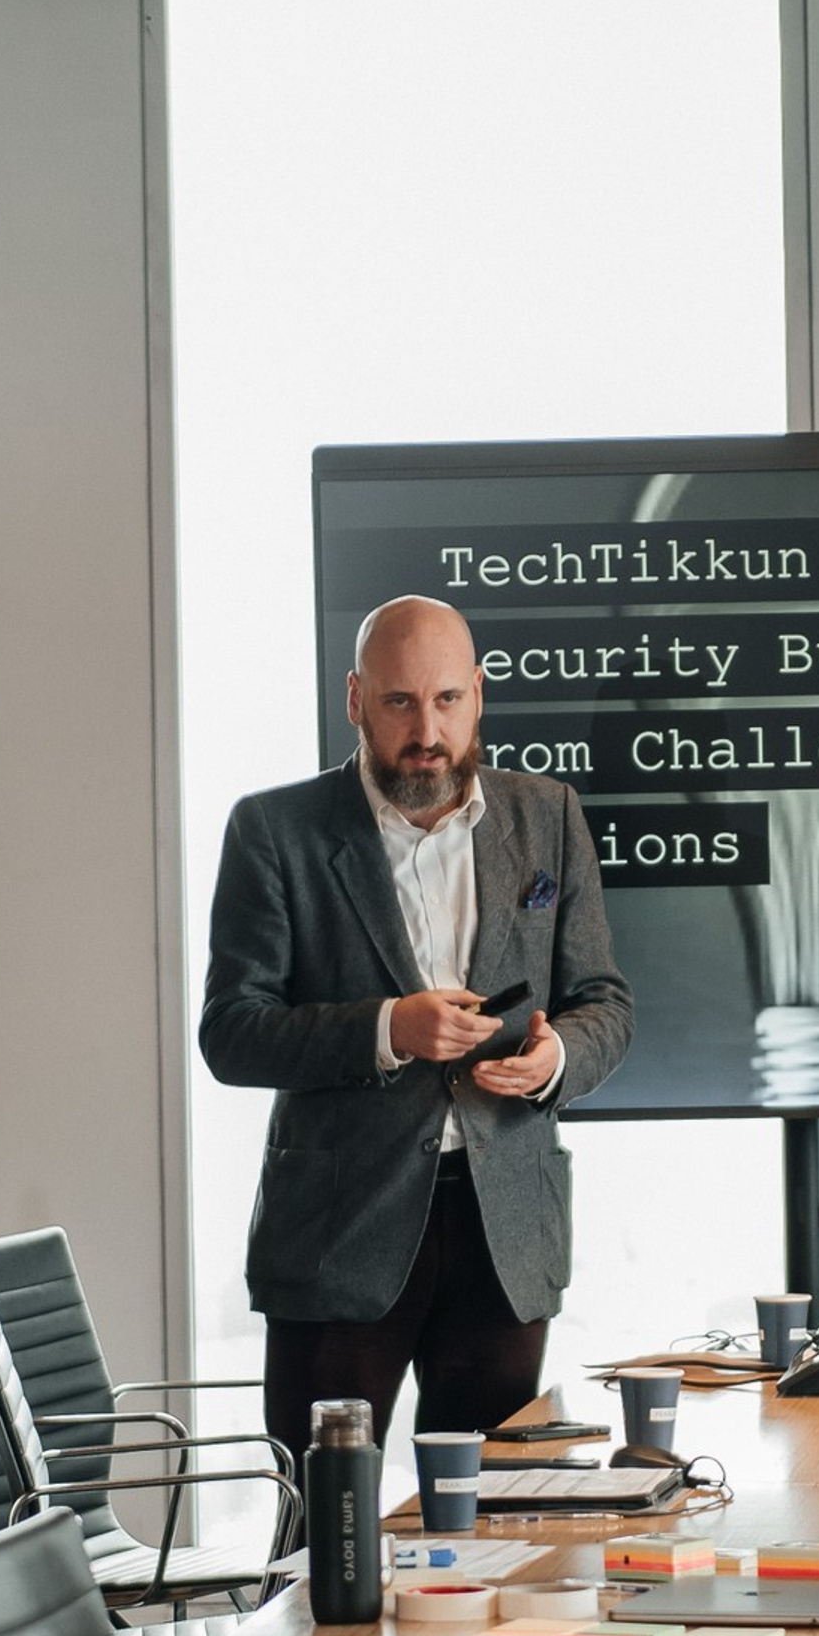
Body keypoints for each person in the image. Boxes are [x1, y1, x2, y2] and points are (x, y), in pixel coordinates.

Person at [202, 596, 633, 1465]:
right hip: (337, 1237)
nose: (426, 729)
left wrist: (555, 1059)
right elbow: (232, 1033)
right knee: (322, 1536)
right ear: (356, 699)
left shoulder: (547, 815)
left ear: (478, 695)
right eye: (400, 702)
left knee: (493, 1527)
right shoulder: (274, 832)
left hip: (506, 1230)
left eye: (446, 700)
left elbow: (604, 1003)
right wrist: (389, 1028)